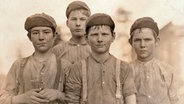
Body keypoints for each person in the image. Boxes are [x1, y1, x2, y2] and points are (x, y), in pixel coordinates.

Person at [65, 13, 137, 104]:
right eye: (95, 35)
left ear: (113, 36)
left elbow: (131, 100)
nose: (100, 39)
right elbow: (71, 101)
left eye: (104, 34)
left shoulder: (124, 68)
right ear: (86, 38)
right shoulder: (77, 68)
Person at [0, 13, 70, 104]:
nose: (41, 37)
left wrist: (58, 94)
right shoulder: (19, 65)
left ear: (54, 36)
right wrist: (22, 98)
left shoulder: (65, 66)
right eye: (35, 33)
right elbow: (2, 98)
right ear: (29, 37)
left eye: (46, 32)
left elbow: (77, 98)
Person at [129, 17, 178, 104]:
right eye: (137, 40)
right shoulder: (125, 71)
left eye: (147, 40)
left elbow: (174, 101)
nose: (142, 45)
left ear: (156, 41)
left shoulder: (167, 71)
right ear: (131, 42)